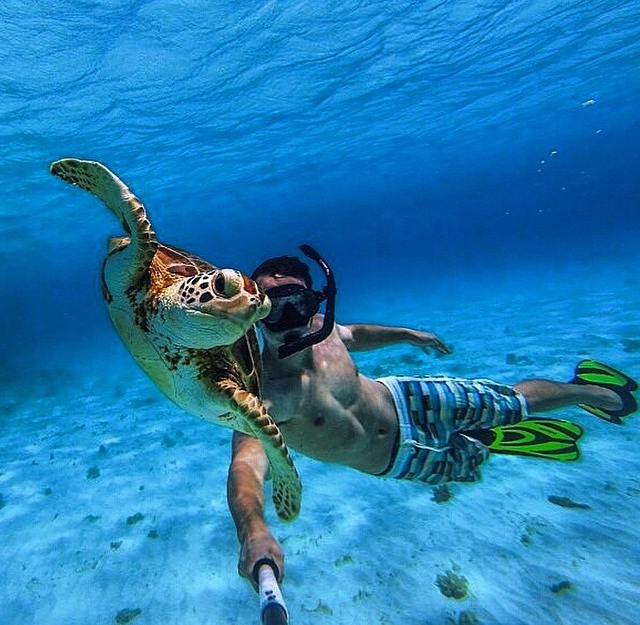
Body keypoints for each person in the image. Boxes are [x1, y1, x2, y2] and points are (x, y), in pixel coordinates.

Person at [226, 251, 638, 590]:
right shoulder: (262, 393)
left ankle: (592, 392)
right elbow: (246, 464)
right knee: (468, 465)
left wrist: (408, 334)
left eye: (296, 302)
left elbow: (357, 334)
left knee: (509, 401)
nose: (287, 320)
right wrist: (254, 529)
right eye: (270, 309)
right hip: (395, 458)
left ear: (315, 303)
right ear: (252, 315)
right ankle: (481, 440)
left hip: (409, 398)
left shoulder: (326, 329)